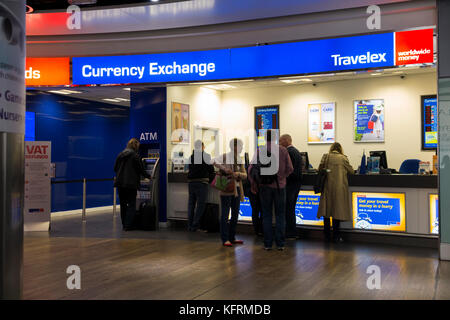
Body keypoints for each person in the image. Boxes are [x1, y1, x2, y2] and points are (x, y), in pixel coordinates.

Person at [249, 130, 293, 251]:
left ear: (264, 138)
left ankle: (268, 244)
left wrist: (254, 184)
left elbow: (251, 169)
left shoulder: (259, 150)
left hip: (264, 187)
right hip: (280, 187)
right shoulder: (283, 150)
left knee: (266, 215)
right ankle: (280, 244)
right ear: (276, 138)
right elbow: (290, 168)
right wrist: (282, 177)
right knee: (280, 215)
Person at [317, 142, 354, 243]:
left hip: (327, 187)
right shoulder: (343, 158)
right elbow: (351, 171)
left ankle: (327, 235)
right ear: (340, 149)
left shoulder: (325, 157)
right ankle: (336, 236)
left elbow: (320, 170)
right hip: (339, 188)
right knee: (337, 211)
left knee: (326, 211)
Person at [213, 138, 247, 247]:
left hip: (237, 189)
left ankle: (232, 237)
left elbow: (245, 175)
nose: (241, 148)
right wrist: (225, 169)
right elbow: (213, 161)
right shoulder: (224, 156)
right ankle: (225, 238)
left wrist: (238, 174)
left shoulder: (240, 159)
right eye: (240, 146)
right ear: (234, 147)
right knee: (225, 214)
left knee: (235, 215)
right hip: (226, 189)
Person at [114, 138, 150, 231]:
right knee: (131, 204)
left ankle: (124, 224)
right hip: (130, 184)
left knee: (123, 204)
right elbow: (141, 169)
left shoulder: (120, 154)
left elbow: (115, 168)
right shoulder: (135, 156)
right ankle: (128, 225)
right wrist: (149, 176)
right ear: (136, 146)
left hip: (120, 183)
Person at [279, 134, 303, 240]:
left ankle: (290, 232)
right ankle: (292, 232)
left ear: (286, 141)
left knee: (288, 209)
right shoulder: (296, 151)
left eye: (280, 141)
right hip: (296, 184)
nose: (279, 144)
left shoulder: (288, 152)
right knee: (290, 208)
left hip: (290, 185)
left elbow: (289, 170)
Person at [187, 140, 215, 232]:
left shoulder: (191, 156)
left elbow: (189, 168)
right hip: (201, 183)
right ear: (202, 147)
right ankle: (195, 226)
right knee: (200, 205)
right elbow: (211, 169)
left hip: (191, 183)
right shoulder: (206, 156)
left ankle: (190, 225)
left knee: (191, 204)